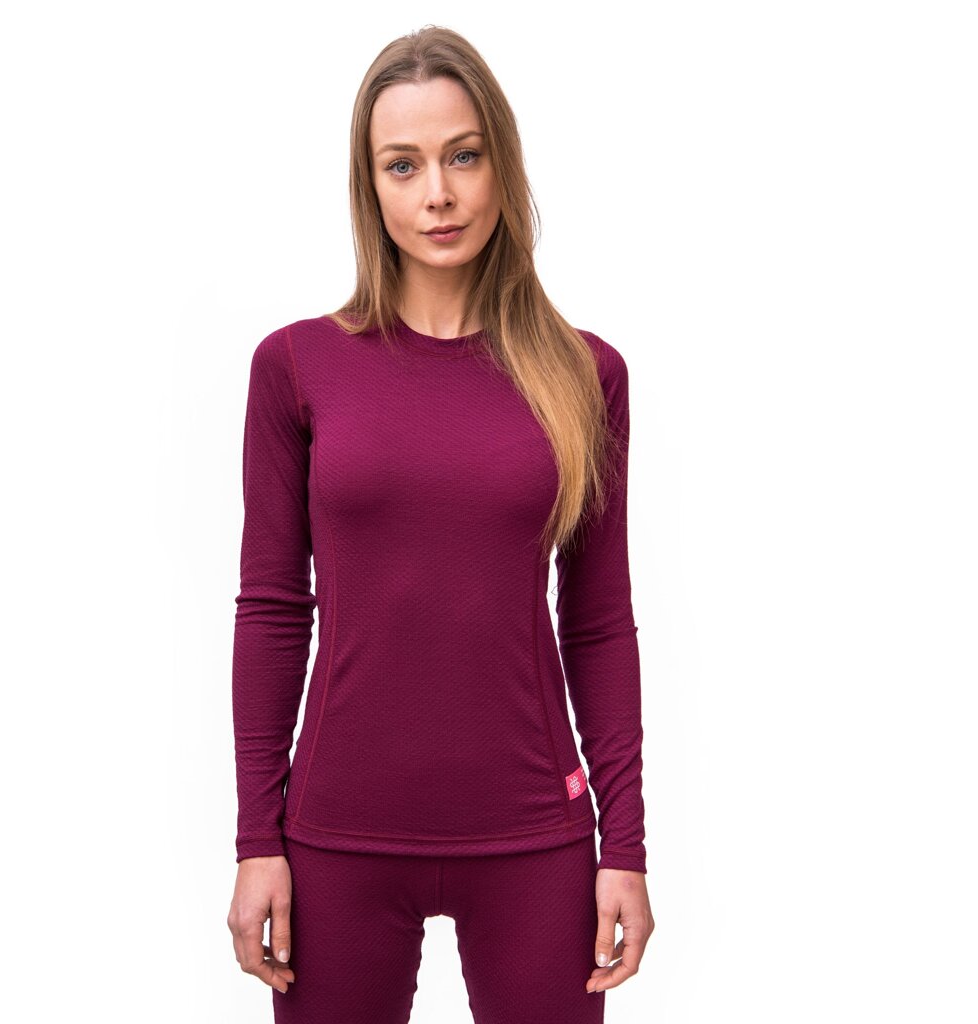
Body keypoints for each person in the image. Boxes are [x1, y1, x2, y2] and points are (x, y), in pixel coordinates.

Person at [224, 26, 655, 1023]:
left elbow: (598, 623)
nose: (438, 195)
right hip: (336, 834)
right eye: (403, 165)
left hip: (535, 833)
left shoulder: (585, 375)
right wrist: (256, 838)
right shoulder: (296, 368)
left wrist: (625, 845)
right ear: (369, 185)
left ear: (502, 164)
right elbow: (273, 609)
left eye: (463, 156)